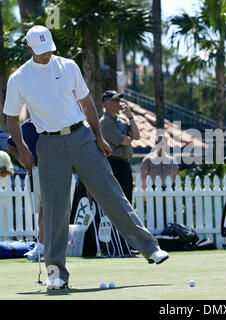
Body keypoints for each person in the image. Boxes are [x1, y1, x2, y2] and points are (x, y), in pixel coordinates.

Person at [3, 25, 168, 290]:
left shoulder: (68, 66)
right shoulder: (19, 78)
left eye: (49, 49)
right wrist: (22, 149)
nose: (46, 55)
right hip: (49, 144)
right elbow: (11, 118)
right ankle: (56, 272)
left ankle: (150, 248)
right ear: (29, 48)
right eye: (41, 50)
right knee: (55, 208)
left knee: (111, 192)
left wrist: (99, 137)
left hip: (81, 137)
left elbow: (87, 103)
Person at [7, 118, 44, 261]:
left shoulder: (51, 120)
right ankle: (41, 246)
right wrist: (22, 160)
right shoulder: (27, 125)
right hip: (34, 171)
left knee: (47, 210)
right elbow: (10, 143)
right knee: (41, 210)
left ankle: (43, 246)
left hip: (54, 169)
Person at [99, 90, 140, 203]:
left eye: (119, 100)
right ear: (106, 103)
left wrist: (130, 116)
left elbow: (136, 136)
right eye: (115, 100)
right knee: (117, 201)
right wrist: (128, 137)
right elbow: (124, 141)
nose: (119, 103)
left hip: (125, 164)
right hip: (114, 164)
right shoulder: (105, 122)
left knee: (127, 199)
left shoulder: (121, 120)